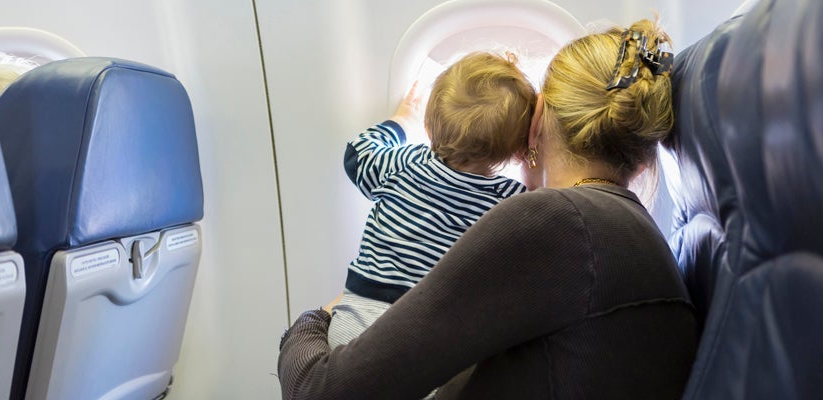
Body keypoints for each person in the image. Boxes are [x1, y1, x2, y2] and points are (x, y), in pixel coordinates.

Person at [278, 19, 697, 400]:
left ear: (537, 122)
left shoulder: (552, 221)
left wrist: (321, 317)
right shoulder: (632, 235)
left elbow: (321, 391)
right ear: (642, 159)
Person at [328, 51, 536, 349]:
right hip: (429, 334)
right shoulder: (508, 201)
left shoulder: (404, 162)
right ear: (517, 151)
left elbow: (357, 154)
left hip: (353, 319)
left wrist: (401, 121)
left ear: (427, 126)